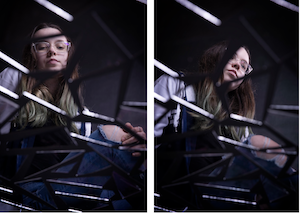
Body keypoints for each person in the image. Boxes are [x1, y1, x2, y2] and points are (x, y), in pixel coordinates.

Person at [0, 23, 146, 210]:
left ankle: (145, 186)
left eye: (60, 46)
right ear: (33, 56)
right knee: (112, 132)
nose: (52, 51)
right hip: (30, 196)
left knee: (122, 200)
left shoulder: (78, 112)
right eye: (42, 46)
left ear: (68, 56)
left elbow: (86, 170)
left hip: (67, 195)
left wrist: (131, 143)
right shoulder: (14, 80)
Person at [154, 41, 297, 210]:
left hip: (222, 195)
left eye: (244, 66)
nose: (238, 65)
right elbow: (150, 142)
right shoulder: (175, 85)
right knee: (259, 143)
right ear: (215, 58)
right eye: (232, 57)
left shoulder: (238, 120)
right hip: (180, 195)